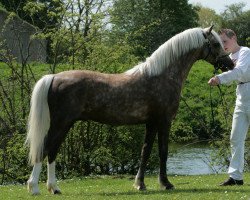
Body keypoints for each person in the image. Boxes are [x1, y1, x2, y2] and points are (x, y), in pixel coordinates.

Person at [208, 29, 250, 186]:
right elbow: (235, 76)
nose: (223, 45)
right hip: (241, 96)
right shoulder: (229, 57)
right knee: (235, 138)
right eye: (221, 42)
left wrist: (219, 78)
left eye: (225, 41)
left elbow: (239, 71)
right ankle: (236, 177)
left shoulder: (245, 52)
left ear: (234, 38)